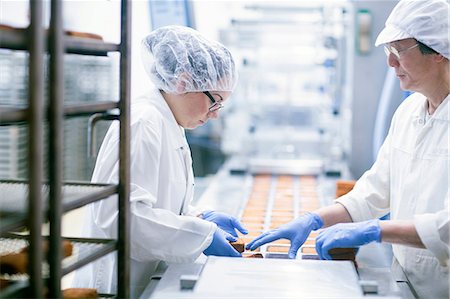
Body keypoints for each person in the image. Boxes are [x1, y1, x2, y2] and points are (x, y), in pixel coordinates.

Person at [246, 0, 449, 298]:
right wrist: (314, 219)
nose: (390, 63)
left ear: (439, 52)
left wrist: (377, 231)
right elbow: (375, 191)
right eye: (388, 51)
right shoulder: (410, 113)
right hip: (407, 282)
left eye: (399, 51)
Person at [73, 25, 247, 298]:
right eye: (215, 102)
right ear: (183, 82)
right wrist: (200, 235)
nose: (215, 115)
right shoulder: (144, 123)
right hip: (119, 282)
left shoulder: (170, 121)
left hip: (143, 275)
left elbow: (159, 200)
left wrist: (198, 217)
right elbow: (123, 217)